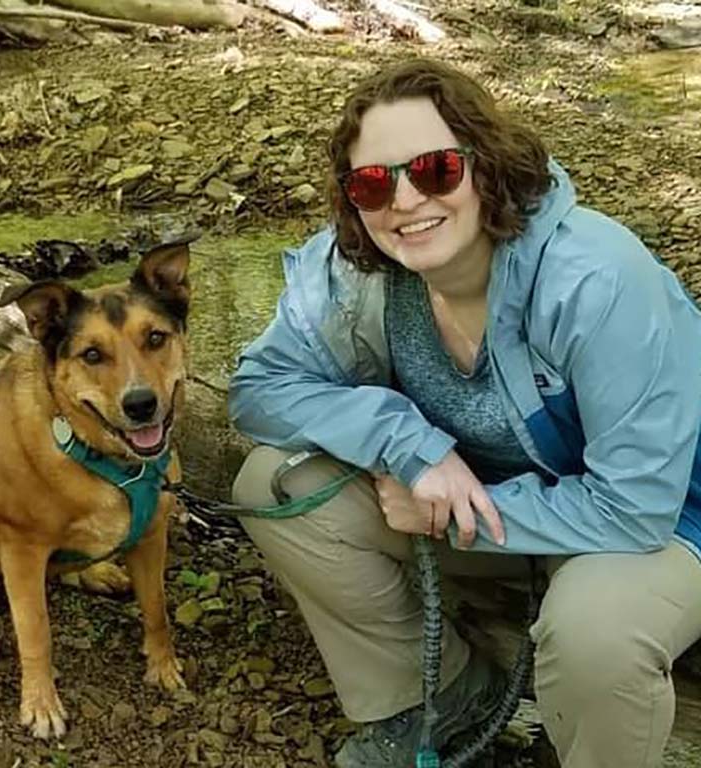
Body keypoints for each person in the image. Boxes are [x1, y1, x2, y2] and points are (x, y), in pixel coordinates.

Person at [227, 57, 701, 768]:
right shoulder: (356, 273)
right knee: (276, 485)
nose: (407, 200)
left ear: (488, 166)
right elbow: (259, 388)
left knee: (594, 633)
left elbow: (635, 505)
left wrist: (453, 517)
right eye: (372, 183)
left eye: (438, 169)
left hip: (660, 522)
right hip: (492, 505)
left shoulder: (595, 278)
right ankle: (442, 700)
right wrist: (406, 442)